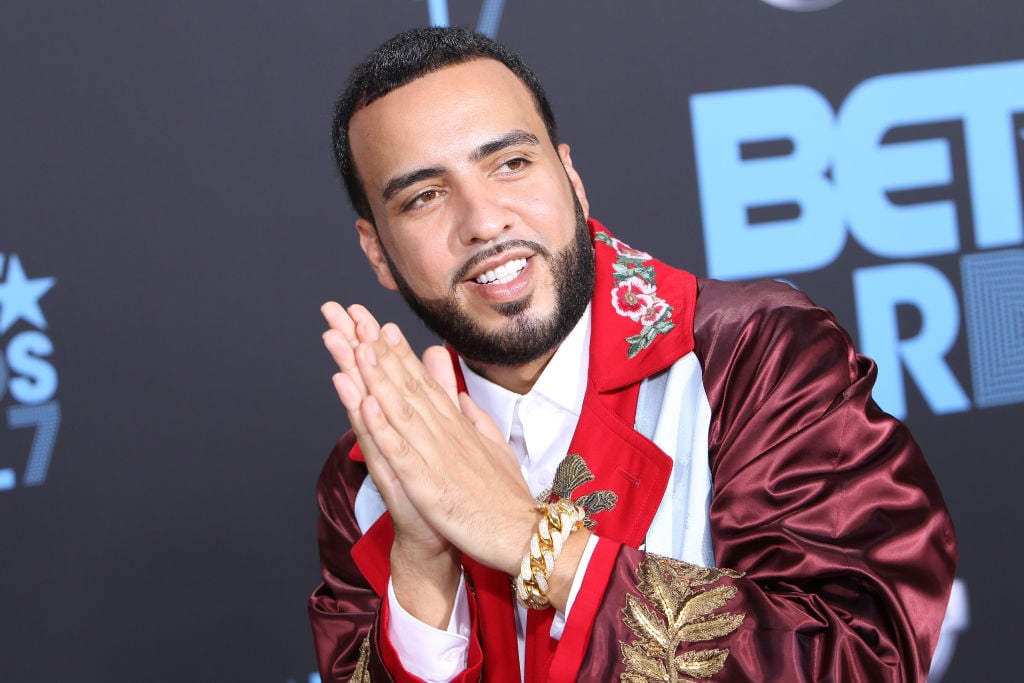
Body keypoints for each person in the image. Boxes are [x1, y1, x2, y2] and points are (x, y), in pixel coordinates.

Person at [308, 26, 956, 682]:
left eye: (510, 163)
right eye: (424, 197)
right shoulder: (371, 472)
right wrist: (421, 566)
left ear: (573, 179)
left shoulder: (753, 355)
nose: (483, 219)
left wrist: (530, 540)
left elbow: (862, 658)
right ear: (376, 252)